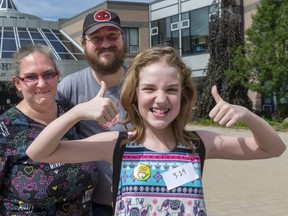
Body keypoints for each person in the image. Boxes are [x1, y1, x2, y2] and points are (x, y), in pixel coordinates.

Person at [26, 46, 286, 215]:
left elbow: (274, 149)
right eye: (149, 89)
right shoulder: (117, 145)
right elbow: (38, 152)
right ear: (135, 95)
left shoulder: (199, 144)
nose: (161, 99)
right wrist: (77, 113)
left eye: (171, 90)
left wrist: (249, 116)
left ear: (182, 96)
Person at [0, 44, 98, 215]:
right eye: (31, 77)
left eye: (48, 74)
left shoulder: (70, 113)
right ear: (17, 83)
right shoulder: (4, 129)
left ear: (57, 76)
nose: (42, 83)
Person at [56, 9, 127, 215]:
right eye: (96, 38)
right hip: (91, 206)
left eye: (112, 36)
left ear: (122, 38)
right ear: (84, 43)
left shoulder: (143, 82)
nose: (105, 44)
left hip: (143, 198)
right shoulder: (68, 88)